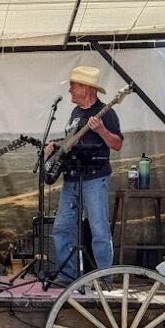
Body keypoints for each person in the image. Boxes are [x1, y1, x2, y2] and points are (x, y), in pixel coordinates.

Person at [47, 66, 123, 284]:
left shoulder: (106, 112)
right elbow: (73, 142)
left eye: (73, 85)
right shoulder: (76, 113)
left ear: (86, 88)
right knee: (62, 227)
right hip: (71, 177)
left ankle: (105, 279)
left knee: (99, 230)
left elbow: (117, 144)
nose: (70, 90)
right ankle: (67, 276)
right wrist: (56, 145)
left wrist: (101, 131)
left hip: (94, 178)